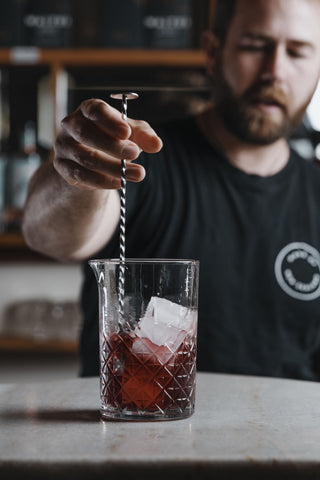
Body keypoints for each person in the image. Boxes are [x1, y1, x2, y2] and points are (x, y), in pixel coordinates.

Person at [23, 0, 320, 380]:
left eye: (297, 52)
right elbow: (49, 236)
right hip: (139, 433)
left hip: (289, 437)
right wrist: (77, 175)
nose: (274, 70)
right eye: (254, 45)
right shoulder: (144, 159)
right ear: (213, 52)